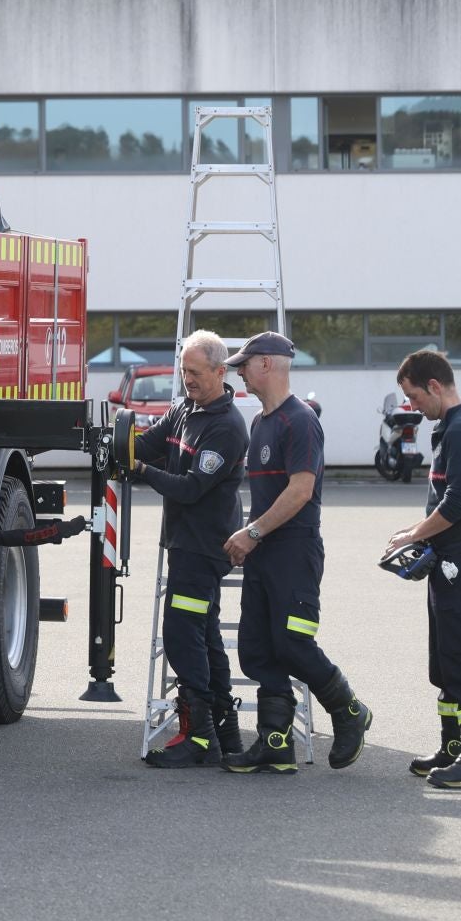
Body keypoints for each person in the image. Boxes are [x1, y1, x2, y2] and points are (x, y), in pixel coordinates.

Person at [219, 331, 372, 773]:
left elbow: (301, 490)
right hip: (266, 549)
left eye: (244, 364)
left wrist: (253, 531)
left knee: (292, 642)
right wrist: (253, 537)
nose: (240, 373)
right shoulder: (260, 422)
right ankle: (275, 742)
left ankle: (349, 711)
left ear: (267, 364)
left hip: (294, 551)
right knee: (256, 648)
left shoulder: (299, 420)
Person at [125, 329, 250, 767]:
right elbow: (147, 444)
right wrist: (116, 443)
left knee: (181, 634)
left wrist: (139, 469)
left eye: (195, 373)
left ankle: (199, 740)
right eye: (183, 371)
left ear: (220, 371)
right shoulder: (184, 410)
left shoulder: (227, 427)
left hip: (203, 549)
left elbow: (192, 487)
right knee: (204, 634)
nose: (187, 380)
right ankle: (225, 734)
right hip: (186, 544)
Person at [387, 350, 461, 790]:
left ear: (434, 386)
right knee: (446, 655)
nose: (413, 405)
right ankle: (453, 746)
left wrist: (415, 535)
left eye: (414, 396)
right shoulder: (449, 427)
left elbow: (459, 502)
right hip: (449, 556)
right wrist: (418, 531)